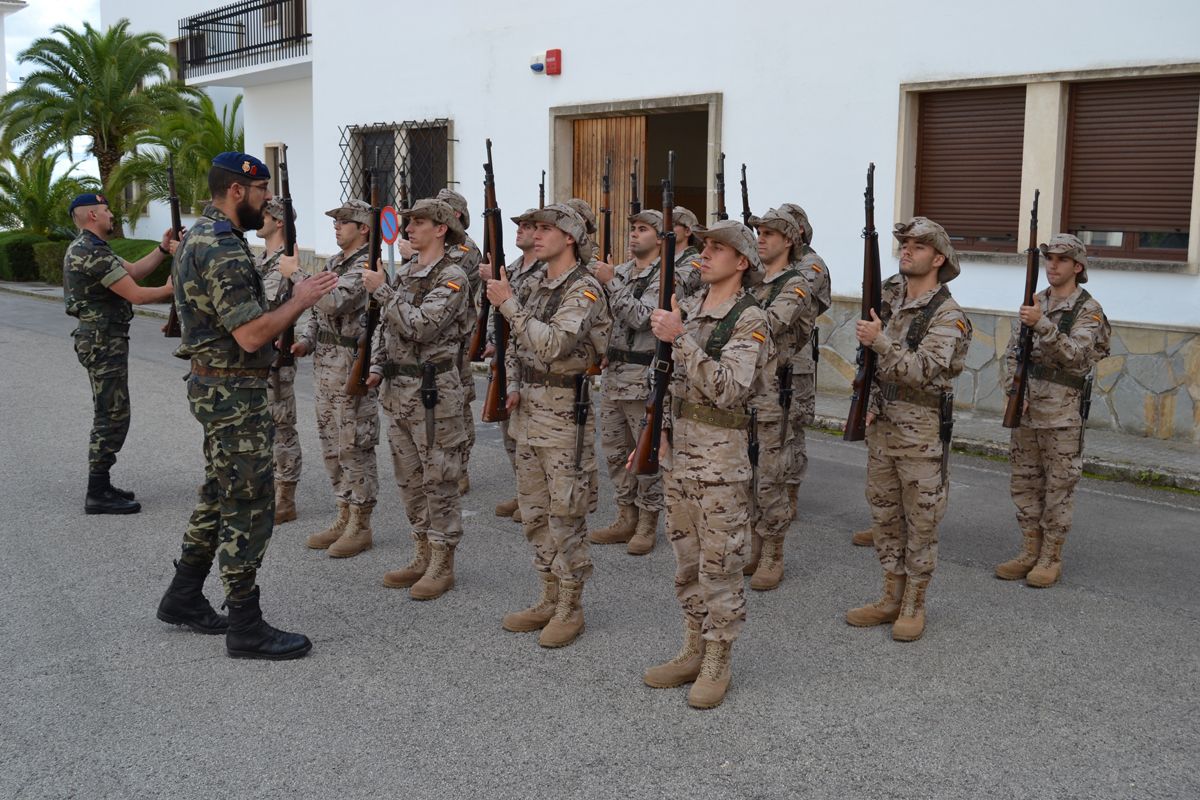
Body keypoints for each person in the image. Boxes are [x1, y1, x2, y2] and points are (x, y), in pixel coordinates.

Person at [156, 152, 337, 660]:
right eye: (260, 193)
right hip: (234, 393)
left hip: (217, 387)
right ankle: (246, 624)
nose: (265, 204)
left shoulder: (200, 235)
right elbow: (251, 332)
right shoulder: (224, 249)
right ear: (238, 191)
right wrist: (299, 299)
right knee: (248, 502)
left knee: (219, 490)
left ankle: (184, 594)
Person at [641, 219, 772, 710]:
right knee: (686, 561)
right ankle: (692, 647)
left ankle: (718, 657)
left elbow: (730, 388)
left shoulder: (751, 318)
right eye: (705, 246)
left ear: (742, 262)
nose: (706, 254)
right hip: (681, 454)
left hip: (720, 460)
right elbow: (669, 381)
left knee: (720, 564)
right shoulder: (691, 306)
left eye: (718, 248)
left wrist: (679, 338)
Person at [486, 203, 611, 648]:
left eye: (545, 229)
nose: (535, 235)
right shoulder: (535, 283)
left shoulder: (585, 289)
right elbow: (519, 350)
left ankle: (570, 605)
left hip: (563, 414)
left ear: (570, 237)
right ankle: (547, 593)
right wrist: (514, 383)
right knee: (534, 513)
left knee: (565, 514)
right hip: (528, 412)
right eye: (532, 228)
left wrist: (509, 307)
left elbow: (555, 344)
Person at [845, 217, 971, 642]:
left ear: (938, 258)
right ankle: (889, 596)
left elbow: (923, 370)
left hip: (921, 431)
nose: (906, 250)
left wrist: (879, 341)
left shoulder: (948, 315)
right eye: (903, 244)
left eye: (917, 246)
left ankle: (914, 602)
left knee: (921, 518)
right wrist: (866, 396)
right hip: (884, 426)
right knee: (884, 513)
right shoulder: (890, 298)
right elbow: (874, 363)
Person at [361, 199, 471, 600]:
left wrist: (384, 292)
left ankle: (443, 561)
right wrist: (374, 365)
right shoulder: (406, 273)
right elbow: (383, 331)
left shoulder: (453, 276)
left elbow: (421, 326)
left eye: (419, 222)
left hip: (433, 394)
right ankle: (421, 551)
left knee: (439, 477)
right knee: (409, 478)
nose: (409, 229)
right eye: (408, 223)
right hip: (397, 391)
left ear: (441, 229)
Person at [997, 233, 1110, 588]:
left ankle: (1051, 557)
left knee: (1059, 486)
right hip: (1028, 408)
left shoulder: (1087, 310)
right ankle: (1029, 550)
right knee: (1025, 483)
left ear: (1078, 266)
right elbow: (1012, 353)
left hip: (1061, 413)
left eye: (1061, 259)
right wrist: (1014, 389)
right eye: (1048, 258)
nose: (1052, 265)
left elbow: (1077, 357)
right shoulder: (1035, 301)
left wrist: (1042, 324)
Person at [62, 192, 175, 514]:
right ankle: (97, 492)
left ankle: (102, 483)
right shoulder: (89, 252)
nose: (112, 214)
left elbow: (135, 272)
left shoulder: (94, 248)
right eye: (107, 209)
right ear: (92, 216)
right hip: (102, 340)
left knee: (111, 411)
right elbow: (137, 295)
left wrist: (162, 250)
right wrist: (171, 289)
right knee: (111, 414)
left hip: (104, 338)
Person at [292, 199, 379, 557]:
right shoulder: (332, 263)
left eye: (345, 221)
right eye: (336, 220)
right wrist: (307, 340)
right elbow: (317, 311)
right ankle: (342, 513)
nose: (337, 226)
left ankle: (361, 523)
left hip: (350, 365)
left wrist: (295, 273)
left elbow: (333, 302)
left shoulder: (366, 266)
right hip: (325, 364)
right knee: (330, 444)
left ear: (364, 229)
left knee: (354, 444)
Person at [743, 208, 817, 590]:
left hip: (773, 394)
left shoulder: (796, 285)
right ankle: (754, 546)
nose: (761, 238)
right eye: (758, 231)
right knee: (747, 476)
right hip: (743, 392)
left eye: (770, 233)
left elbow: (766, 326)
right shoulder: (753, 284)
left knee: (770, 477)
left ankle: (773, 552)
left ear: (789, 240)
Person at [590, 208, 664, 554]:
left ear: (660, 238)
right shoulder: (618, 271)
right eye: (633, 228)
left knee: (643, 452)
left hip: (642, 376)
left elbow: (639, 318)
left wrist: (609, 282)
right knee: (615, 451)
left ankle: (648, 521)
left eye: (644, 229)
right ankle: (625, 515)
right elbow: (602, 317)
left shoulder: (666, 277)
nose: (635, 235)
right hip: (614, 374)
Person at [778, 203, 831, 519]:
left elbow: (790, 301)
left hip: (796, 359)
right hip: (770, 355)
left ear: (797, 231)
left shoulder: (812, 265)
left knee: (792, 425)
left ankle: (791, 491)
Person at [492, 209, 545, 524]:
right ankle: (522, 487)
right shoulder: (509, 269)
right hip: (507, 356)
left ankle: (536, 495)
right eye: (520, 226)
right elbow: (495, 313)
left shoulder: (544, 272)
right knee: (509, 430)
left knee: (531, 435)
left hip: (531, 354)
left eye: (528, 226)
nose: (522, 231)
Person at [255, 197, 303, 524]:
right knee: (260, 425)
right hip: (254, 354)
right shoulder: (259, 259)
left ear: (278, 221)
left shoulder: (289, 262)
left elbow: (295, 305)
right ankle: (266, 486)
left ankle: (285, 497)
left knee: (281, 427)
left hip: (277, 356)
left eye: (264, 215)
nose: (258, 219)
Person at [437, 188, 482, 495]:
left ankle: (461, 467)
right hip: (437, 339)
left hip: (459, 340)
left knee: (459, 404)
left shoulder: (465, 251)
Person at [670, 205, 704, 300]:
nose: (666, 229)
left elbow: (677, 290)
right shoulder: (663, 258)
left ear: (687, 231)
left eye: (673, 225)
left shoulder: (696, 260)